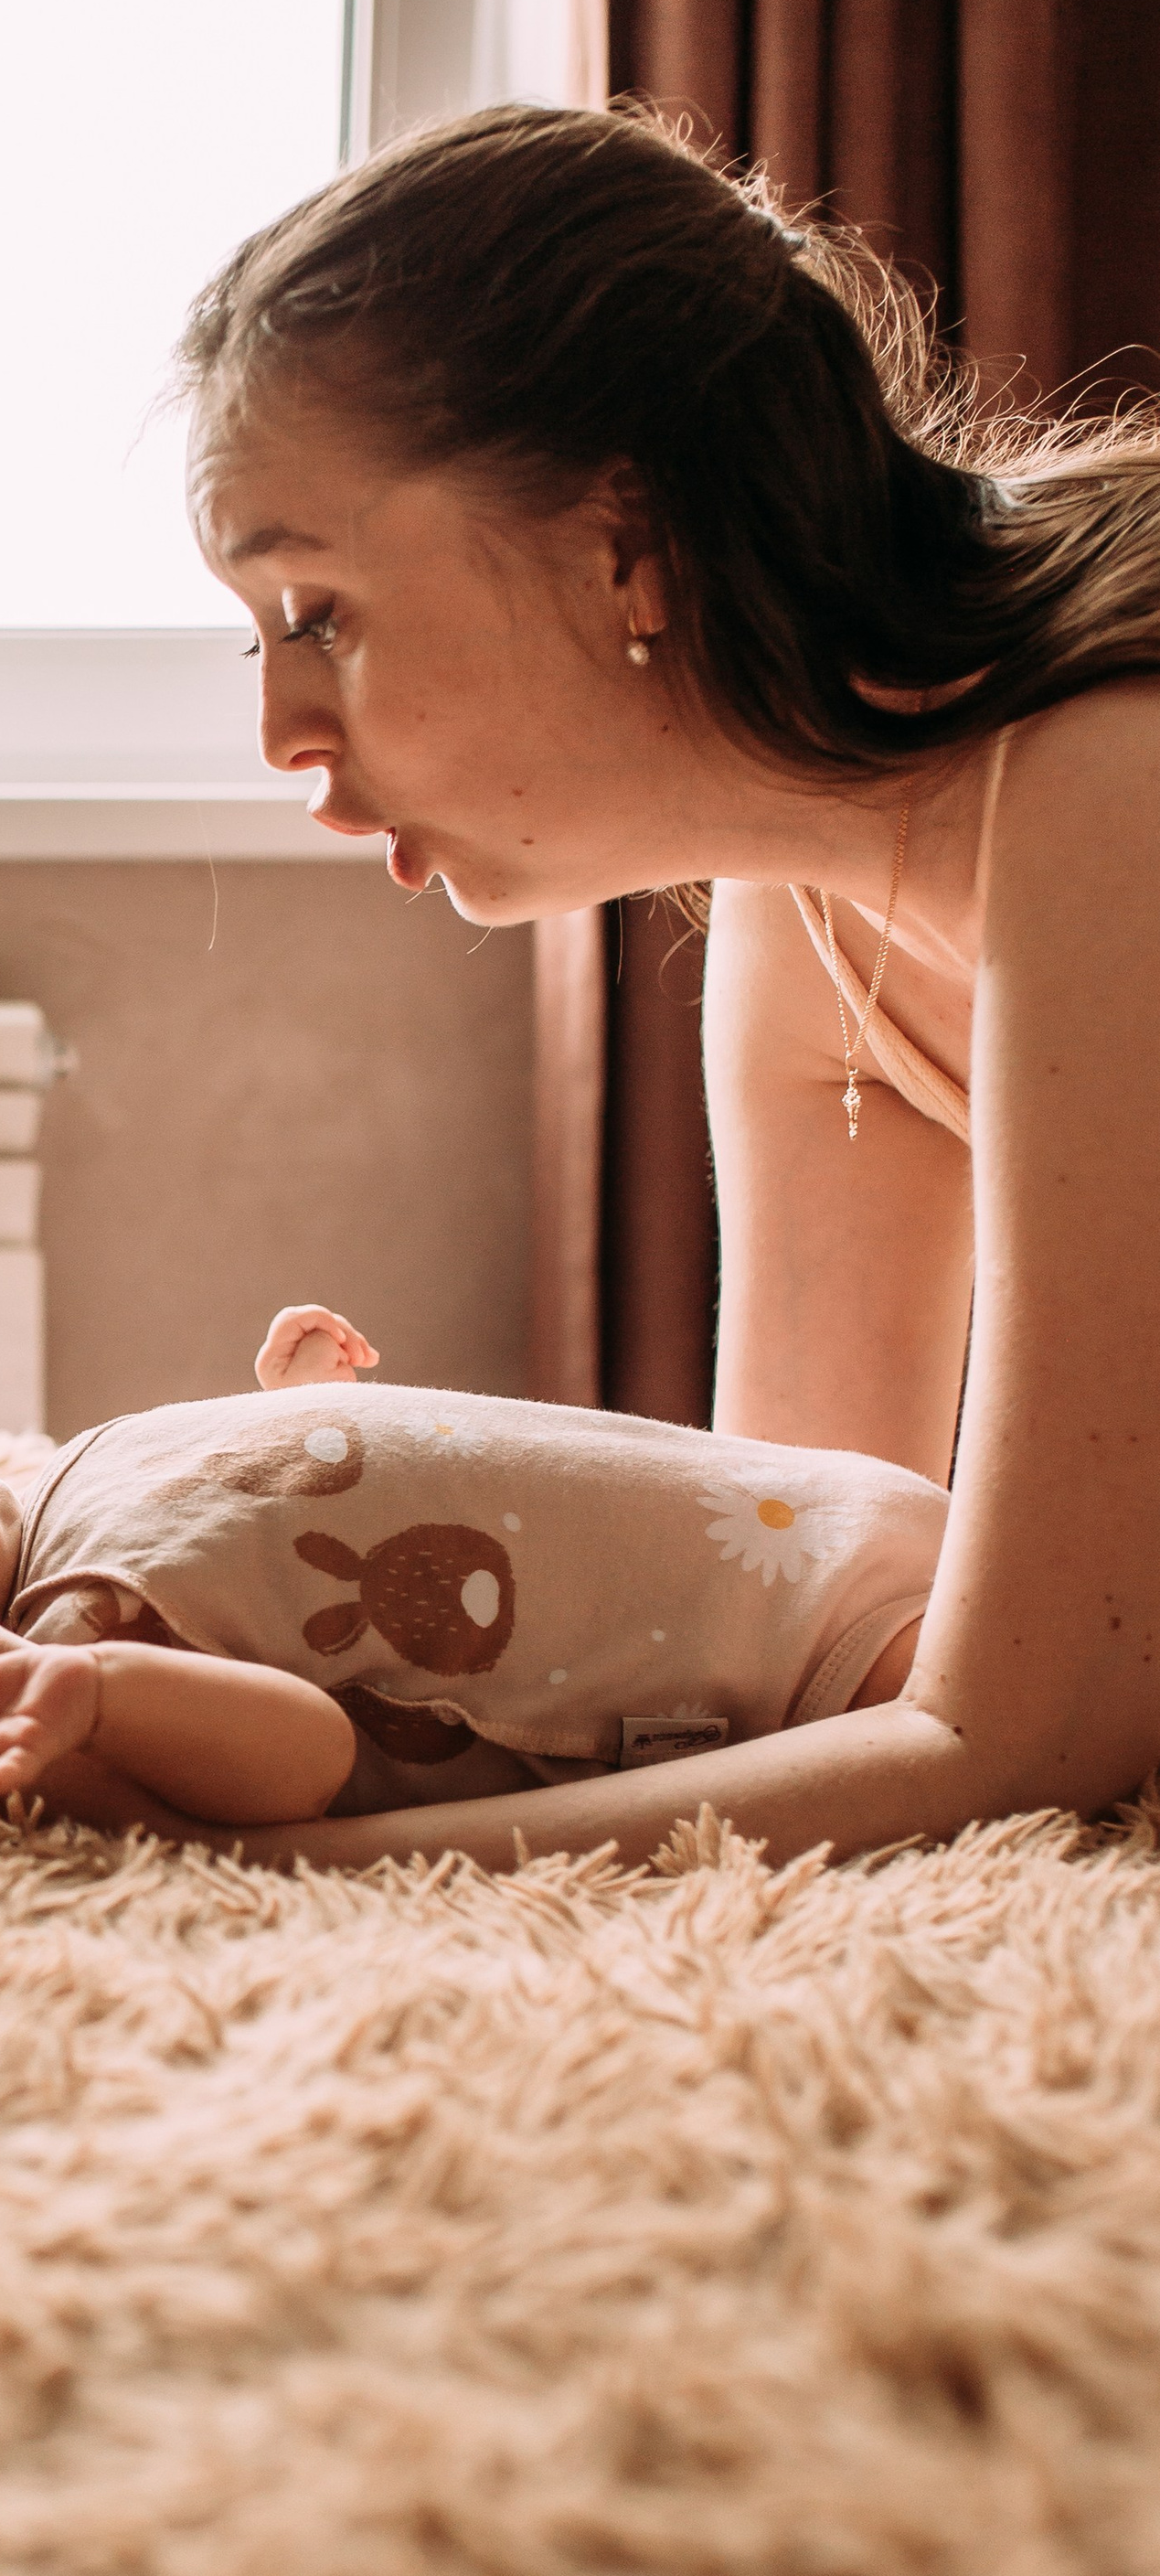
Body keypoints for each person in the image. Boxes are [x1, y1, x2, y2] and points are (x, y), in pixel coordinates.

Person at [135, 97, 1160, 1871]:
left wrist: (290, 1874)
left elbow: (1028, 1727)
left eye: (319, 612)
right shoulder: (806, 911)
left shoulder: (1100, 781)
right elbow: (786, 1608)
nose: (281, 734)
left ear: (624, 547)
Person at [0, 1304, 943, 1847]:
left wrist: (289, 1421)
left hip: (794, 1514)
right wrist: (89, 1695)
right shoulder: (64, 1652)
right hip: (795, 1647)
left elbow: (255, 1541)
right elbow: (306, 1749)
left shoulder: (62, 1505)